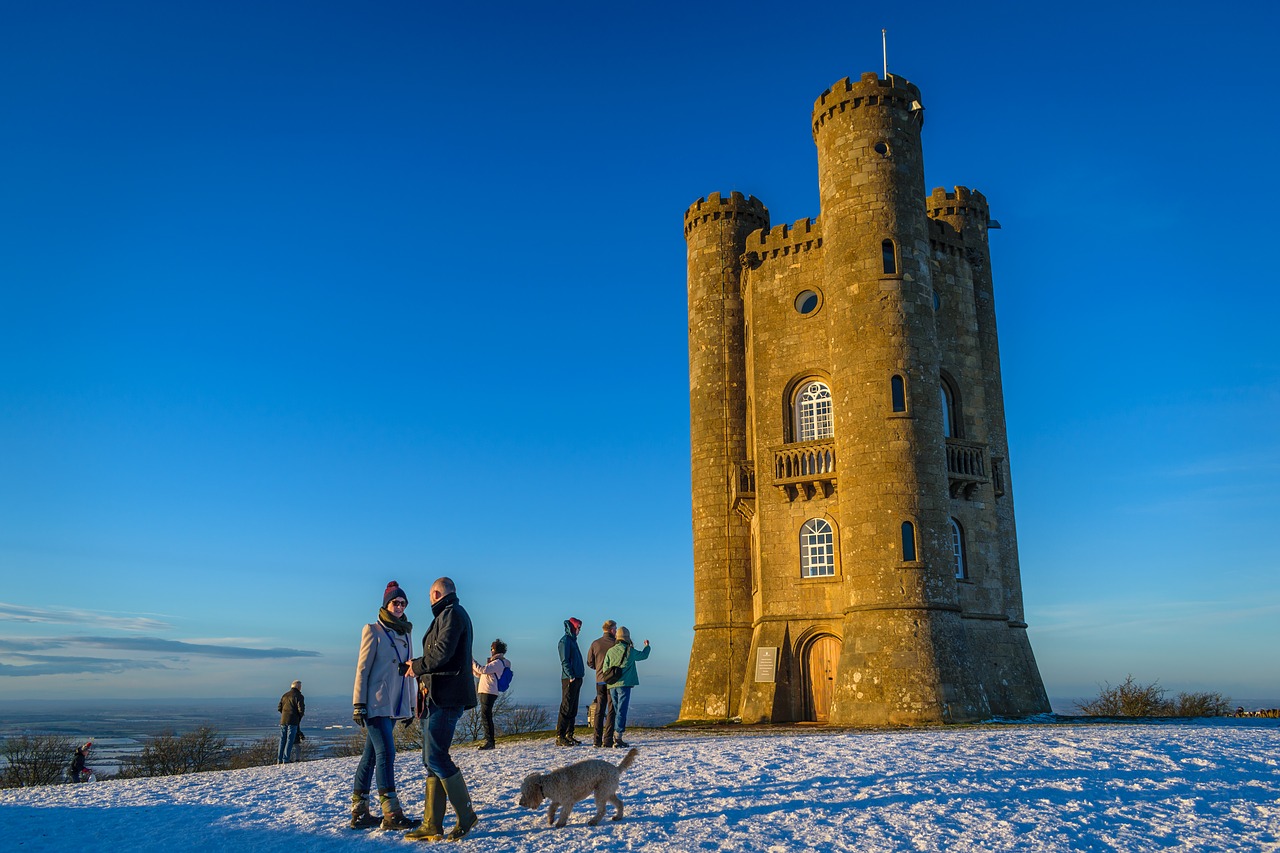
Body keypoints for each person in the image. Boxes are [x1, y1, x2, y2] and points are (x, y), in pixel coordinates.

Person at [405, 577, 479, 842]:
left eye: (429, 597)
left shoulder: (452, 614)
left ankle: (466, 815)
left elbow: (443, 653)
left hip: (446, 698)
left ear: (436, 594)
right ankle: (432, 823)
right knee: (430, 759)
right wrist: (419, 664)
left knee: (436, 757)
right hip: (437, 697)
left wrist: (417, 666)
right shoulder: (450, 614)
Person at [350, 581, 418, 830]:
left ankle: (359, 813)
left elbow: (409, 670)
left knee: (369, 757)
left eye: (402, 603)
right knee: (386, 754)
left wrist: (411, 706)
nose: (399, 607)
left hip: (395, 704)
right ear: (386, 604)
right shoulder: (372, 630)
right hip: (376, 703)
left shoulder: (407, 632)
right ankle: (391, 814)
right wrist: (359, 703)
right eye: (395, 602)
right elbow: (363, 668)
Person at [600, 627, 650, 748]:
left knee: (616, 710)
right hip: (624, 684)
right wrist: (647, 646)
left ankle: (613, 735)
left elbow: (605, 668)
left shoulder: (610, 651)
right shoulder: (629, 651)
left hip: (612, 684)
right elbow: (643, 656)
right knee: (622, 710)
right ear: (627, 638)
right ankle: (618, 737)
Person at [471, 638, 509, 750]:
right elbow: (482, 674)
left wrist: (471, 660)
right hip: (487, 691)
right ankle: (489, 741)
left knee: (486, 716)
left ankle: (490, 742)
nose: (490, 651)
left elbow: (482, 670)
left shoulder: (497, 663)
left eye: (492, 648)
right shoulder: (495, 663)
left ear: (496, 650)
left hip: (489, 691)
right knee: (486, 716)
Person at [586, 619, 618, 748]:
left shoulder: (595, 643)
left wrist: (598, 668)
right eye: (615, 629)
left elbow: (589, 662)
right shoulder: (616, 644)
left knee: (600, 709)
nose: (616, 631)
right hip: (613, 681)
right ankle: (608, 739)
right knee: (611, 709)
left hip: (599, 680)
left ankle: (596, 739)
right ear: (611, 630)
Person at [556, 617, 585, 747]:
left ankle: (569, 734)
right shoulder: (565, 641)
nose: (579, 630)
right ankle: (560, 736)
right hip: (569, 678)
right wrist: (571, 675)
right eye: (578, 627)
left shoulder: (573, 640)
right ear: (573, 627)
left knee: (573, 707)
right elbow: (564, 660)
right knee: (566, 707)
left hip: (577, 677)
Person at [277, 679, 305, 764]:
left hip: (283, 720)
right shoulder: (299, 696)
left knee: (282, 739)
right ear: (298, 687)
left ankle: (279, 759)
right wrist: (298, 717)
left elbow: (279, 708)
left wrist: (284, 714)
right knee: (290, 739)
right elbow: (301, 710)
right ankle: (286, 759)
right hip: (293, 720)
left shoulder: (285, 695)